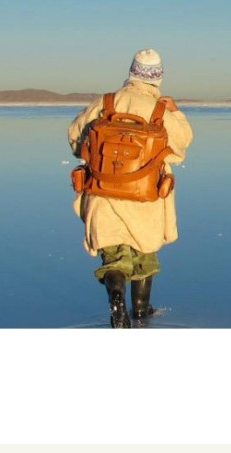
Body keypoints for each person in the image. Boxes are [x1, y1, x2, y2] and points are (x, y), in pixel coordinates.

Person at [68, 48, 193, 327]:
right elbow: (181, 145)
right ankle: (140, 312)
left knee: (114, 254)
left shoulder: (106, 102)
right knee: (144, 253)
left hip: (103, 192)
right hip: (146, 195)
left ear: (132, 73)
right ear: (157, 77)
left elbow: (75, 136)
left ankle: (116, 291)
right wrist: (176, 112)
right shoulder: (160, 109)